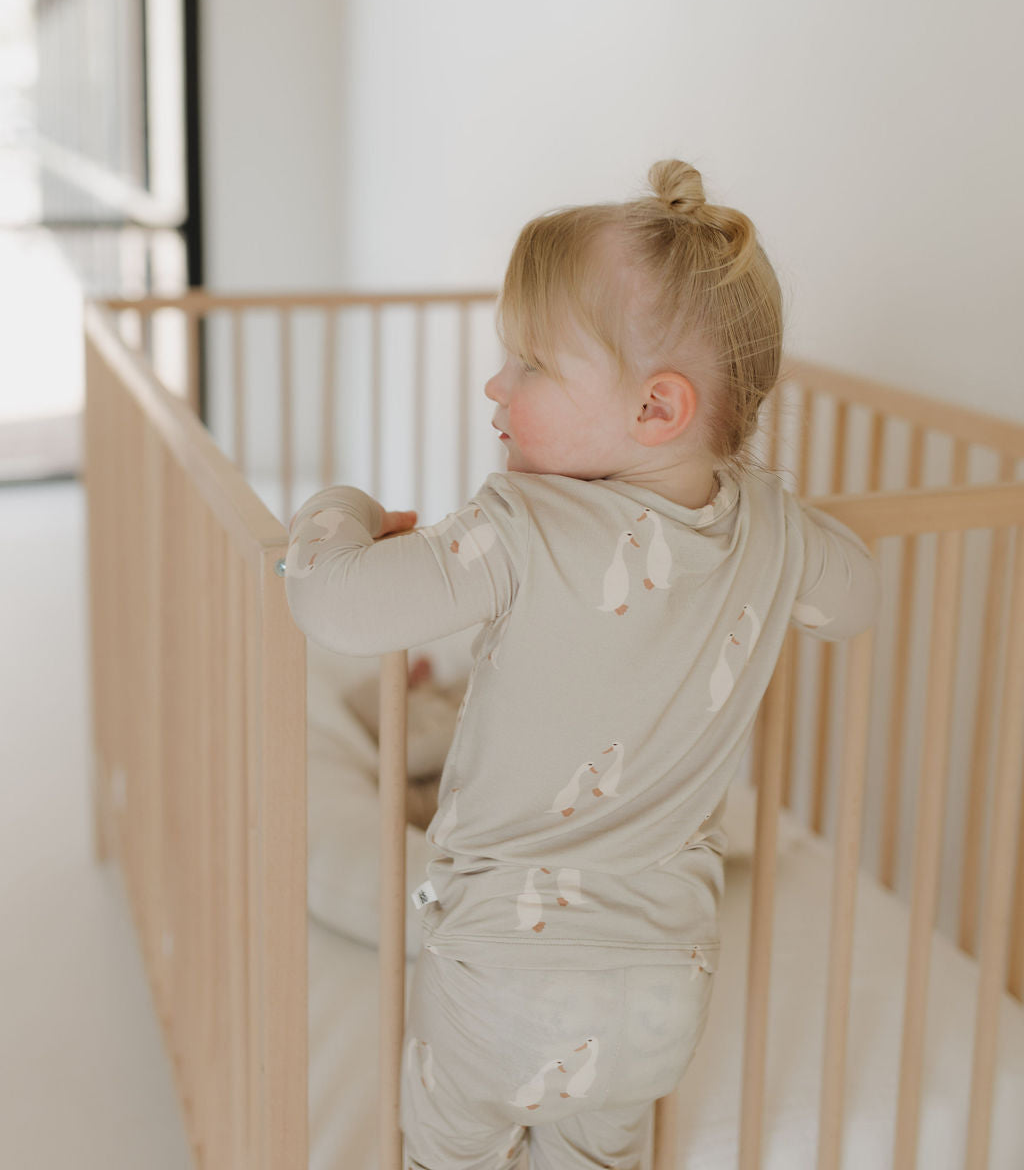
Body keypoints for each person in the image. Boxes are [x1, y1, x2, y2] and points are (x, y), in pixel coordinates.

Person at [285, 159, 881, 1170]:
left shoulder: (519, 528)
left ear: (656, 409)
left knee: (449, 1151)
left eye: (529, 363)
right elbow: (855, 599)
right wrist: (781, 539)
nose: (494, 383)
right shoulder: (777, 534)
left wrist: (336, 511)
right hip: (662, 994)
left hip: (496, 982)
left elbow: (334, 605)